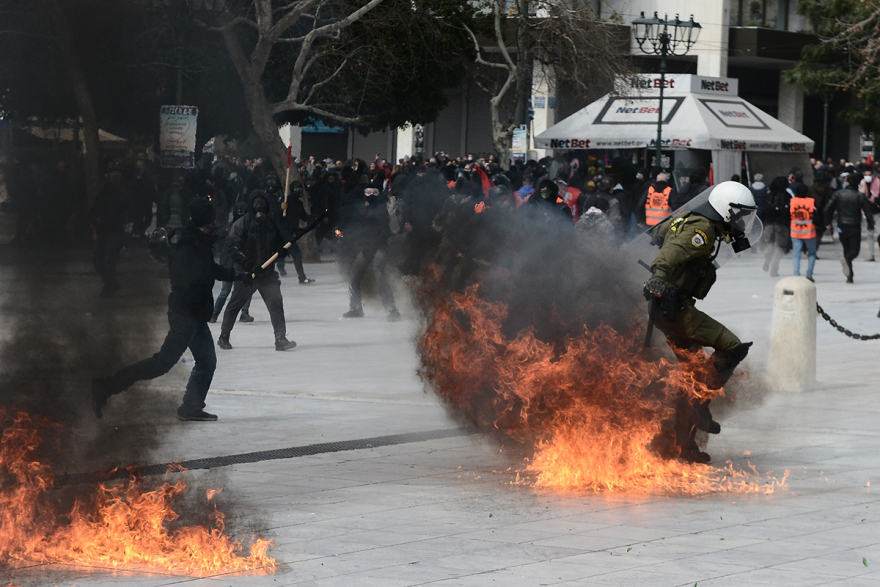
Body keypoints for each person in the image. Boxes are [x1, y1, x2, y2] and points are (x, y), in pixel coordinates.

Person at [91, 198, 248, 421]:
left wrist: (238, 275)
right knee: (161, 363)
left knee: (207, 362)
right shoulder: (187, 245)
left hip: (197, 314)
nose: (214, 225)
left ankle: (191, 407)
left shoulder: (199, 241)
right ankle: (105, 387)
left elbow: (211, 268)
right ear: (207, 222)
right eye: (212, 222)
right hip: (185, 314)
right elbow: (199, 274)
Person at [643, 181, 757, 463]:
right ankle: (701, 402)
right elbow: (668, 254)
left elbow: (659, 233)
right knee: (731, 347)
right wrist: (659, 277)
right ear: (725, 211)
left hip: (671, 307)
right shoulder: (702, 230)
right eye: (740, 215)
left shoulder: (695, 220)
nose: (743, 221)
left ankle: (683, 444)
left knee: (693, 374)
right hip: (674, 310)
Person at [217, 190, 297, 351]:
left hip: (267, 274)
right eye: (256, 201)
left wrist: (281, 251)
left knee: (276, 305)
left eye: (262, 201)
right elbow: (234, 247)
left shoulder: (270, 223)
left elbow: (278, 243)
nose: (259, 205)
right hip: (247, 275)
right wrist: (248, 265)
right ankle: (224, 336)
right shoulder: (241, 224)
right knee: (234, 305)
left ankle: (280, 338)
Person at [337, 187, 400, 321]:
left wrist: (372, 246)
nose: (371, 195)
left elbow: (385, 231)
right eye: (368, 193)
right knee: (354, 276)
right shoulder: (362, 209)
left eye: (374, 193)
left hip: (378, 248)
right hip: (365, 249)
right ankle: (355, 308)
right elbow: (358, 229)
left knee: (380, 277)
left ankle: (392, 309)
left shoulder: (381, 210)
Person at [825, 173, 875, 283]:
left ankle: (850, 275)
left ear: (847, 182)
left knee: (846, 249)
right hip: (855, 225)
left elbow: (828, 208)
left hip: (841, 225)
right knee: (854, 251)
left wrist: (827, 222)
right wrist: (870, 225)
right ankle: (847, 262)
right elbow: (868, 212)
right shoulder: (860, 196)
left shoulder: (838, 194)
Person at [91, 171, 130, 297]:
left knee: (106, 260)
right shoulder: (108, 193)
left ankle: (110, 284)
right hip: (108, 229)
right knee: (101, 259)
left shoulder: (114, 194)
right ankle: (111, 283)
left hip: (112, 230)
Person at [762, 176, 792, 277]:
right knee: (779, 247)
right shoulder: (787, 196)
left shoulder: (769, 195)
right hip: (782, 224)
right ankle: (774, 269)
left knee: (769, 243)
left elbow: (763, 209)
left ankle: (767, 259)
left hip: (769, 223)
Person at [789, 184, 817, 282]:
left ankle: (796, 274)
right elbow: (816, 216)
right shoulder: (811, 202)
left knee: (796, 254)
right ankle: (809, 274)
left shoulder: (792, 202)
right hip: (809, 232)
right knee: (812, 253)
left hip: (795, 232)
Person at [859, 167, 880, 261]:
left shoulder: (878, 183)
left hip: (877, 211)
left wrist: (875, 200)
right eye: (866, 174)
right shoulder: (862, 183)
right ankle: (871, 255)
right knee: (869, 234)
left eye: (869, 174)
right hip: (866, 212)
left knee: (879, 233)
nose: (867, 177)